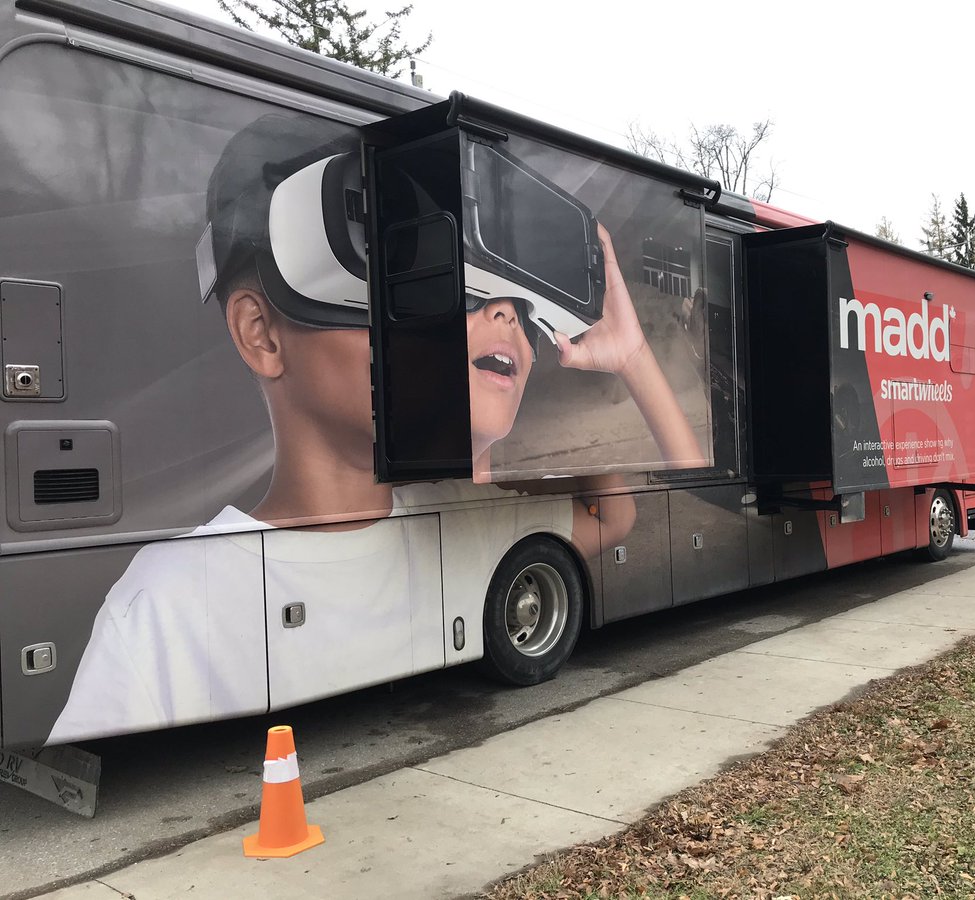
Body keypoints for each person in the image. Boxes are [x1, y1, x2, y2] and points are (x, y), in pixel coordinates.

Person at [48, 112, 702, 744]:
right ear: (262, 334)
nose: (502, 315)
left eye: (515, 303)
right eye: (402, 271)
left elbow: (614, 517)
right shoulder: (166, 604)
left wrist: (631, 357)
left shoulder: (468, 521)